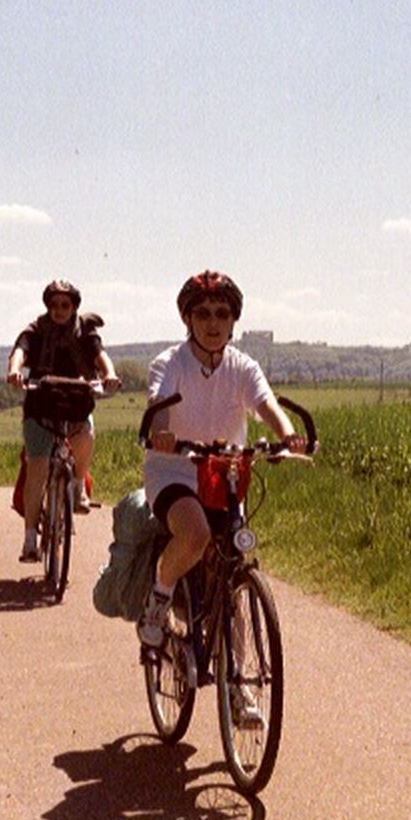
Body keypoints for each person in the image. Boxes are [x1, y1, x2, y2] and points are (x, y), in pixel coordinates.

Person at [138, 271, 306, 650]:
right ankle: (160, 596)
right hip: (174, 470)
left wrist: (287, 436)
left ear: (233, 321)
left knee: (228, 572)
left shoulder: (243, 366)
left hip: (225, 474)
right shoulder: (169, 363)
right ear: (187, 319)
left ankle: (235, 675)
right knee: (196, 535)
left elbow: (266, 404)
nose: (213, 323)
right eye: (202, 314)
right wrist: (161, 433)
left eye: (222, 314)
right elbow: (159, 404)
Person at [6, 280, 121, 562]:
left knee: (85, 437)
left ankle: (78, 487)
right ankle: (30, 539)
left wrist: (109, 374)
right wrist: (15, 371)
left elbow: (100, 355)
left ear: (74, 307)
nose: (59, 310)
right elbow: (20, 351)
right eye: (54, 305)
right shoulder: (36, 330)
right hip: (41, 406)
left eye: (65, 305)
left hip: (76, 405)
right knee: (37, 468)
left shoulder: (85, 332)